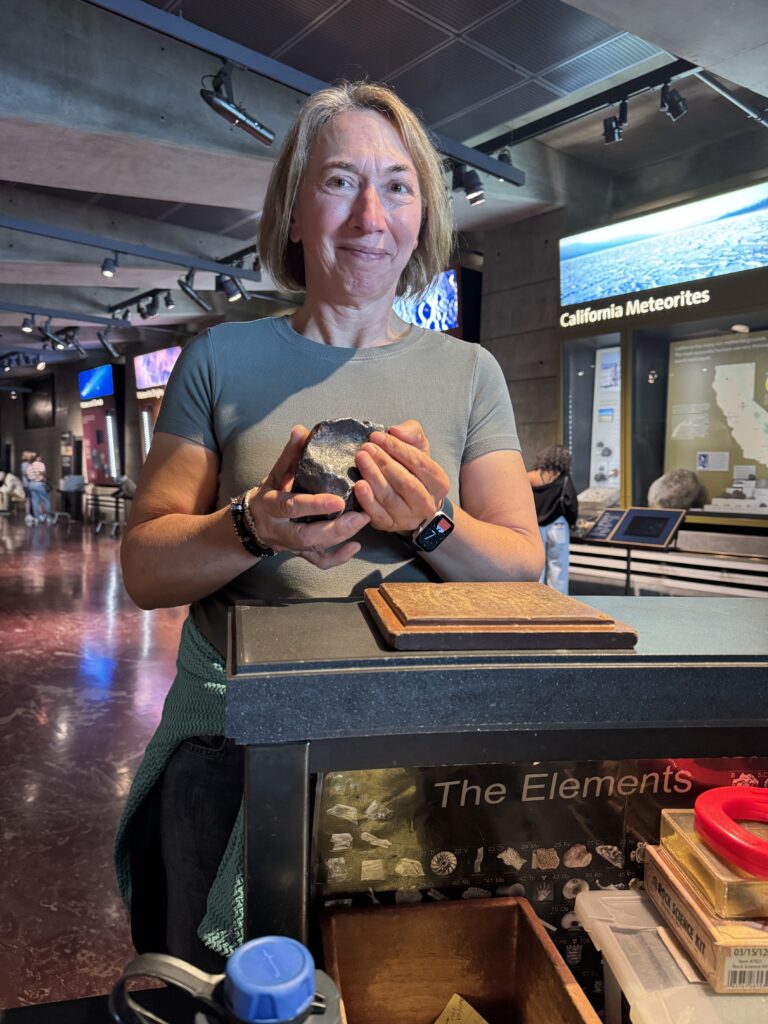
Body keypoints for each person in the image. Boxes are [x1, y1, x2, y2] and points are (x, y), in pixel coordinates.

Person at [116, 81, 543, 970]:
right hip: (233, 747)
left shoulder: (470, 373)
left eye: (397, 185)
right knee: (213, 985)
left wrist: (431, 524)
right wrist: (254, 526)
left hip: (412, 746)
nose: (369, 216)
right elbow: (145, 569)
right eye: (340, 181)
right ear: (295, 211)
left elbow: (521, 565)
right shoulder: (221, 358)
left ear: (422, 214)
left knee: (389, 978)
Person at [527, 445, 578, 594]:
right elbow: (571, 504)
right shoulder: (564, 479)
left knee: (537, 566)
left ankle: (536, 599)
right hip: (558, 525)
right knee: (558, 566)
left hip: (535, 527)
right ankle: (559, 601)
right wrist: (572, 522)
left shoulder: (531, 477)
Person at [25, 452, 52, 524]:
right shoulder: (41, 464)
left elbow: (28, 476)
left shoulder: (29, 466)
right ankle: (48, 517)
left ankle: (36, 518)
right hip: (40, 484)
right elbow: (43, 473)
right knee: (46, 500)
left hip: (32, 484)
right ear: (38, 457)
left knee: (35, 502)